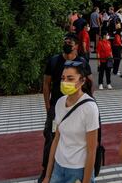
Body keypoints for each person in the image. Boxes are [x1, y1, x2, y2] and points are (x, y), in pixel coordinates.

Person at [41, 34, 92, 180]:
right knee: (51, 138)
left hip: (76, 108)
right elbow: (46, 84)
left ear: (76, 46)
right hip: (57, 108)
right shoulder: (54, 61)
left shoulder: (82, 62)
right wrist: (48, 107)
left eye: (70, 42)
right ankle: (46, 171)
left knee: (75, 138)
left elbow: (89, 82)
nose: (67, 44)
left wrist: (87, 101)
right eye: (65, 42)